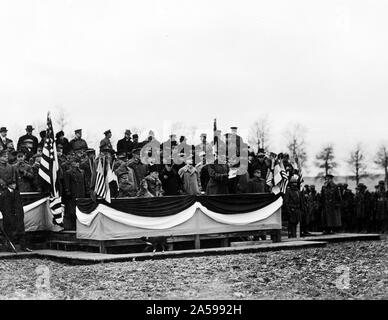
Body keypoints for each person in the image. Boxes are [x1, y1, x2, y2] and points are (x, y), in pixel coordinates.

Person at [0, 149, 31, 252]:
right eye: (3, 156)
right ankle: (10, 243)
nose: (5, 158)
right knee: (7, 218)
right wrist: (6, 186)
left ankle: (23, 244)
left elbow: (15, 178)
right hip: (3, 194)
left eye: (6, 156)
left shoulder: (11, 167)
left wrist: (13, 185)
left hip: (14, 193)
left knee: (19, 216)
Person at [63, 157, 87, 230]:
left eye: (77, 162)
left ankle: (79, 225)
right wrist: (68, 191)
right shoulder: (68, 172)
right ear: (72, 163)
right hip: (73, 194)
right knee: (72, 210)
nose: (76, 164)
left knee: (80, 209)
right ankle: (73, 225)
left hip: (81, 193)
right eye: (75, 162)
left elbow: (84, 183)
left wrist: (86, 191)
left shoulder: (82, 172)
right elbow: (66, 183)